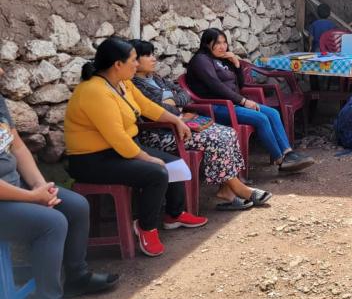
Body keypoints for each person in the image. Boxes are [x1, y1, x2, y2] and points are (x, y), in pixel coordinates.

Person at [65, 37, 208, 258]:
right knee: (156, 173)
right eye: (133, 60)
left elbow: (147, 106)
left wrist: (176, 120)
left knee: (174, 163)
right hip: (92, 159)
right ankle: (146, 227)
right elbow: (117, 138)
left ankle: (174, 215)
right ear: (117, 65)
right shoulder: (94, 91)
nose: (136, 64)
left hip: (121, 148)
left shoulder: (122, 83)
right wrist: (147, 158)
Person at [0, 89, 119, 299]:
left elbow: (17, 147)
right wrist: (32, 197)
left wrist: (38, 185)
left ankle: (77, 276)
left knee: (76, 206)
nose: (1, 70)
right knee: (51, 223)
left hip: (16, 189)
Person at [130, 40, 270, 211]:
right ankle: (238, 188)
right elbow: (156, 110)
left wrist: (172, 101)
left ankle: (227, 189)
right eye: (147, 55)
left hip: (181, 124)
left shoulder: (156, 78)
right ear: (134, 60)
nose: (153, 59)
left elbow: (184, 95)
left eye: (153, 54)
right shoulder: (135, 86)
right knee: (217, 139)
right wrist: (173, 107)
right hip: (162, 134)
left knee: (228, 133)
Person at [186, 28, 314, 172]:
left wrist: (237, 65)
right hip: (216, 107)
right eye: (217, 43)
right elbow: (216, 86)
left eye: (224, 43)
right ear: (207, 44)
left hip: (232, 103)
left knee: (272, 113)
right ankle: (280, 159)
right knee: (261, 119)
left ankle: (288, 153)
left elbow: (239, 85)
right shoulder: (201, 61)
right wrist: (243, 101)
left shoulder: (221, 59)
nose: (223, 47)